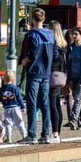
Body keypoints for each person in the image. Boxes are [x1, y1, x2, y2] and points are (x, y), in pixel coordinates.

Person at [17, 8, 57, 144]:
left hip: (34, 72)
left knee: (32, 104)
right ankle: (45, 134)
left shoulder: (32, 35)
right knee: (45, 104)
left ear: (33, 20)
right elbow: (55, 53)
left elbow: (32, 54)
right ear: (44, 19)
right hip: (46, 73)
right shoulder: (51, 34)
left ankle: (32, 134)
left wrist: (24, 61)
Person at [47, 20, 67, 144]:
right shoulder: (64, 45)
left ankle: (55, 134)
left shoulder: (53, 45)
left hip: (52, 76)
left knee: (52, 105)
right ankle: (57, 133)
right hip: (60, 77)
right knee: (57, 105)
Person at [0, 70, 26, 143]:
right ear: (13, 79)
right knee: (19, 122)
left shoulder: (1, 89)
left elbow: (1, 98)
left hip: (7, 108)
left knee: (8, 123)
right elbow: (19, 98)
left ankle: (9, 138)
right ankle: (24, 135)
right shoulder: (15, 88)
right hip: (15, 107)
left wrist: (4, 104)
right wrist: (22, 106)